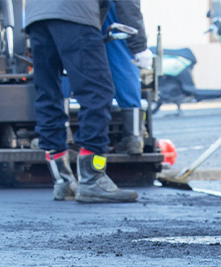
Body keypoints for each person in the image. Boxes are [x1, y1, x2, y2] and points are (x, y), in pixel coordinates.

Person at [25, 0, 138, 203]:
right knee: (97, 91)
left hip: (37, 17)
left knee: (47, 94)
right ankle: (92, 177)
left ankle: (62, 181)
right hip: (76, 12)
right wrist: (139, 45)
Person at [104, 0, 152, 155]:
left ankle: (64, 132)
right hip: (108, 10)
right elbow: (128, 6)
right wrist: (139, 46)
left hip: (73, 10)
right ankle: (134, 136)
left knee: (68, 60)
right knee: (121, 57)